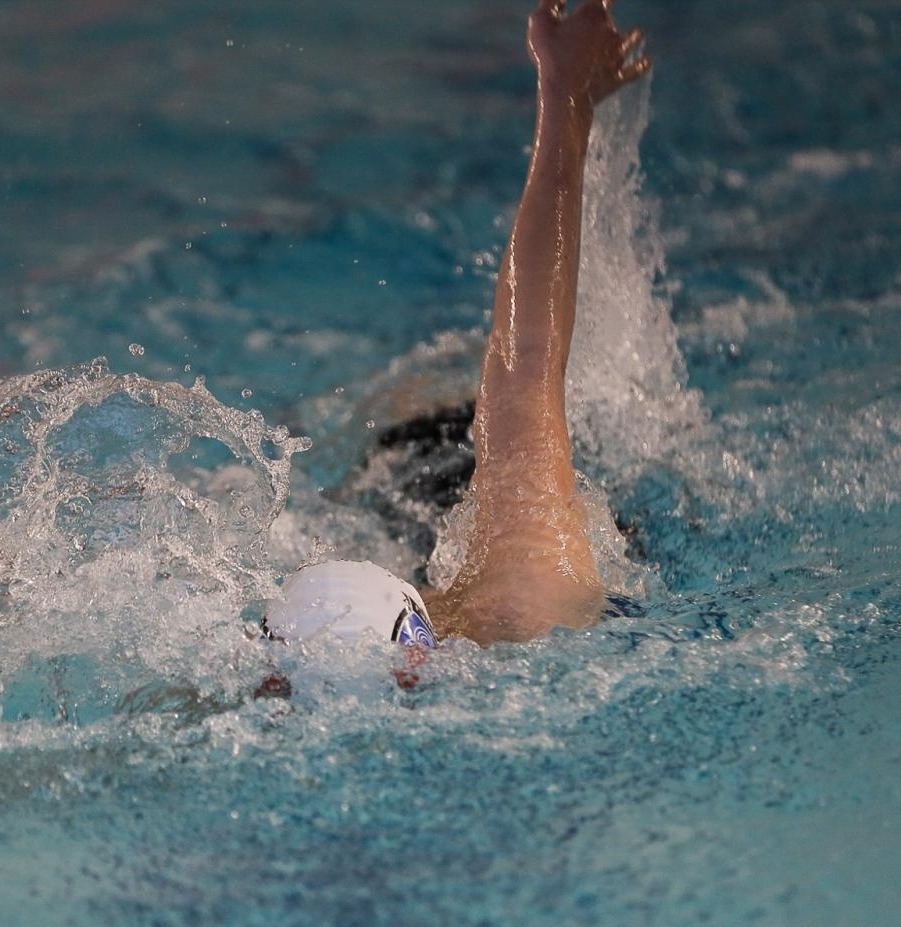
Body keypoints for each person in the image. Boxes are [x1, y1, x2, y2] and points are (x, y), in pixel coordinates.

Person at [264, 0, 651, 649]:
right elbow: (525, 357)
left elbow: (527, 358)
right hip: (433, 477)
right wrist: (566, 98)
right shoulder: (525, 607)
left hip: (429, 472)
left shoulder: (519, 594)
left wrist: (565, 103)